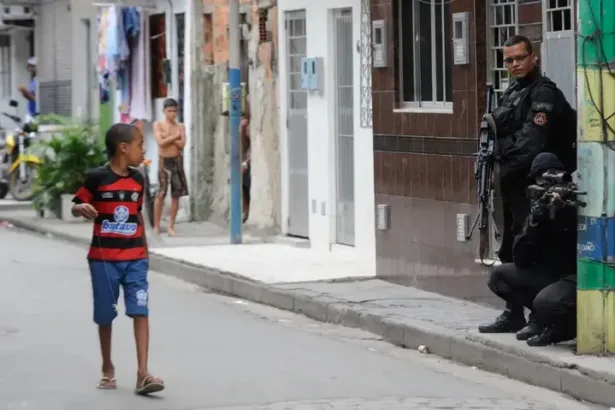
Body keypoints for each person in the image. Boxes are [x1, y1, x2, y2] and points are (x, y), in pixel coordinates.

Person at [71, 123, 164, 394]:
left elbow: (137, 217)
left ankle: (143, 373)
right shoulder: (96, 177)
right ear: (123, 148)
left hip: (135, 258)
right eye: (139, 145)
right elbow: (76, 204)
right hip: (103, 260)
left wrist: (146, 254)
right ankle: (107, 367)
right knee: (105, 315)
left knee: (140, 311)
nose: (143, 149)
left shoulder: (138, 179)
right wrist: (82, 208)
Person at [492, 35, 576, 263]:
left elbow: (530, 146)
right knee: (509, 252)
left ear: (534, 57)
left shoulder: (544, 94)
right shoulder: (512, 93)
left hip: (538, 188)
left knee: (530, 253)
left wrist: (500, 164)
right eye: (509, 61)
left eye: (520, 58)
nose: (515, 65)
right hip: (514, 185)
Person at [478, 153, 577, 346]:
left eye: (555, 175)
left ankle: (562, 328)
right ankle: (538, 319)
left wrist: (564, 212)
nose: (548, 183)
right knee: (499, 276)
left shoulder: (574, 201)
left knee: (546, 300)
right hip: (547, 274)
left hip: (572, 276)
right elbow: (521, 258)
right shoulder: (537, 203)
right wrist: (536, 221)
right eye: (543, 178)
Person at [153, 98, 188, 236]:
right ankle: (156, 225)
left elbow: (182, 144)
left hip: (176, 161)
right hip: (164, 162)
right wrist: (175, 137)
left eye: (174, 111)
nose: (172, 113)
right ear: (164, 111)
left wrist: (170, 137)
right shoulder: (158, 125)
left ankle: (171, 226)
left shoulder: (180, 126)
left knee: (176, 195)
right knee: (161, 193)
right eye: (169, 111)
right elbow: (160, 143)